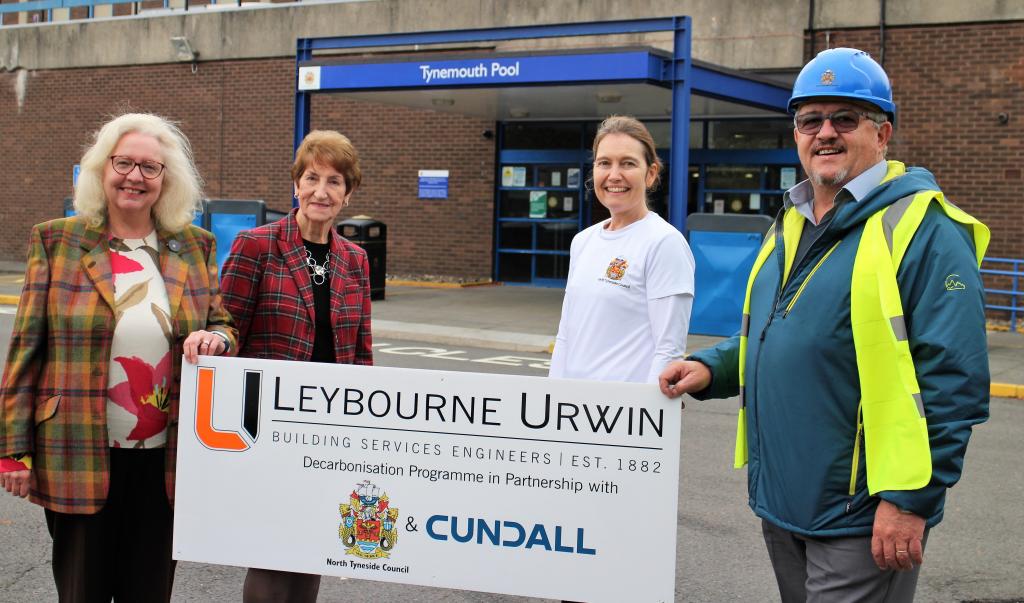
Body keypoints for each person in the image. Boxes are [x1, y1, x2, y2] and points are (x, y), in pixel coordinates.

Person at [659, 48, 990, 602]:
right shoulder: (790, 221)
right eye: (811, 120)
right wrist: (709, 367)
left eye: (845, 118)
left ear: (882, 135)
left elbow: (954, 382)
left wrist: (910, 501)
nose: (826, 133)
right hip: (784, 502)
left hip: (862, 513)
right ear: (797, 134)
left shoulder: (926, 229)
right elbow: (778, 333)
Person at [0, 112, 237, 602]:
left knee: (149, 589)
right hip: (77, 449)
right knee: (82, 590)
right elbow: (26, 349)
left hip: (166, 460)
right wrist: (11, 450)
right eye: (124, 163)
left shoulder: (195, 247)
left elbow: (222, 322)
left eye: (150, 168)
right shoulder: (57, 240)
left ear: (166, 180)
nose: (135, 177)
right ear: (101, 169)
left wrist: (219, 340)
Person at [220, 129, 373, 603]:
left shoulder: (356, 260)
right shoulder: (257, 246)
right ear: (296, 184)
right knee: (269, 551)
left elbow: (361, 351)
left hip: (330, 426)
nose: (321, 191)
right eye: (312, 178)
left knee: (313, 548)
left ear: (347, 195)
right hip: (268, 425)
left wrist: (366, 425)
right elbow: (227, 326)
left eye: (334, 181)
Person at [549, 115, 695, 385]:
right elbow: (565, 336)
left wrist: (648, 415)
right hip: (571, 411)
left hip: (624, 416)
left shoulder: (664, 242)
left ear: (650, 174)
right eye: (604, 163)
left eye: (627, 163)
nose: (614, 175)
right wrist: (552, 399)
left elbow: (669, 349)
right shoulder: (583, 241)